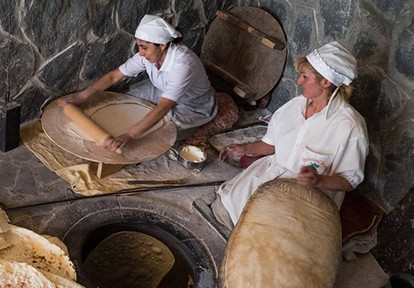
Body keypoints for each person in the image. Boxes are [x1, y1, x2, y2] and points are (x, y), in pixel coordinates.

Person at [213, 41, 369, 228]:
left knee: (265, 230)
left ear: (326, 82)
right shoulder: (295, 105)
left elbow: (350, 181)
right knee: (226, 205)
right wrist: (243, 149)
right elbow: (271, 145)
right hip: (273, 170)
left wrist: (318, 180)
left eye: (305, 76)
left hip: (309, 191)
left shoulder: (350, 126)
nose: (299, 81)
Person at [59, 14, 218, 152]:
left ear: (162, 45)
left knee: (158, 131)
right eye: (139, 47)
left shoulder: (183, 64)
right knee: (123, 101)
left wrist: (129, 135)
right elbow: (113, 77)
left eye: (144, 48)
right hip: (161, 90)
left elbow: (163, 107)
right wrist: (82, 96)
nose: (140, 53)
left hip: (193, 104)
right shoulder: (148, 55)